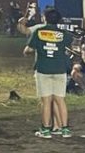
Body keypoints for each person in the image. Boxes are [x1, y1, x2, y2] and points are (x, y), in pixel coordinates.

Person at [24, 8, 73, 139]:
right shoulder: (64, 34)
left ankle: (46, 130)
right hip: (60, 69)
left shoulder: (39, 32)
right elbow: (68, 46)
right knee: (60, 100)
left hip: (44, 69)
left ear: (45, 18)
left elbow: (29, 49)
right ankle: (65, 129)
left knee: (46, 101)